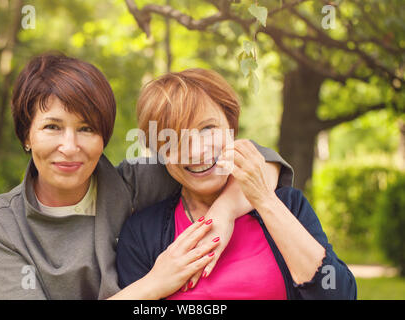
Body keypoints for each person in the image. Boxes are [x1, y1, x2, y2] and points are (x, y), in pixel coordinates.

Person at [0, 54, 293, 299]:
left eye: (87, 129)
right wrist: (152, 285)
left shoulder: (134, 183)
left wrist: (223, 213)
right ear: (26, 135)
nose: (69, 147)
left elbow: (262, 162)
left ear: (103, 139)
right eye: (52, 127)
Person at [116, 68, 357, 299]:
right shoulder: (142, 233)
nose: (198, 150)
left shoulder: (287, 204)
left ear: (231, 127)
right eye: (176, 138)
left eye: (207, 128)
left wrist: (264, 200)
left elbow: (339, 294)